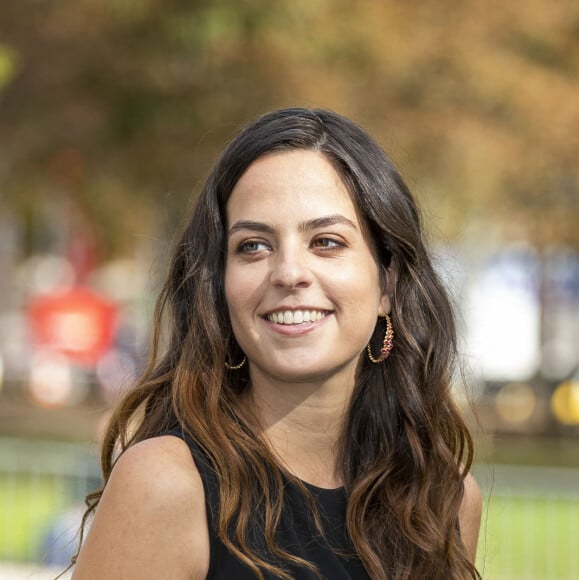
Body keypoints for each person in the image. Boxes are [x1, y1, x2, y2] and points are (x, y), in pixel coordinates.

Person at [70, 108, 482, 579]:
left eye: (326, 242)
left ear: (387, 283)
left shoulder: (441, 500)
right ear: (219, 284)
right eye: (253, 246)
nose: (289, 273)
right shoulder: (165, 485)